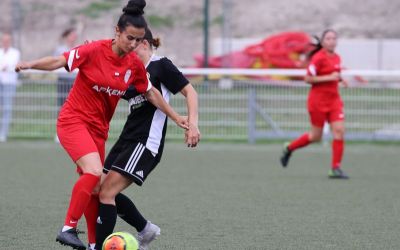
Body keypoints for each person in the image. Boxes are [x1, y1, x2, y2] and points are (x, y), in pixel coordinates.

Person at [15, 1, 188, 249]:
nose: (133, 44)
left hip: (98, 130)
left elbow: (150, 93)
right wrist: (30, 65)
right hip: (73, 121)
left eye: (138, 41)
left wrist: (176, 116)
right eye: (129, 38)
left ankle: (95, 245)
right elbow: (59, 61)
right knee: (95, 172)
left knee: (96, 187)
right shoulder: (94, 50)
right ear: (117, 31)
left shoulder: (134, 65)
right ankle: (68, 228)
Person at [94, 27, 200, 250]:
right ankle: (145, 229)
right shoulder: (131, 69)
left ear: (144, 43)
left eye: (134, 43)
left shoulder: (161, 65)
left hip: (145, 142)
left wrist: (193, 125)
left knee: (106, 193)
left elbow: (191, 92)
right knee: (97, 189)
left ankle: (100, 246)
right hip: (126, 138)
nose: (129, 48)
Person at [280, 29, 349, 179]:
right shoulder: (318, 58)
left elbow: (334, 75)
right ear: (323, 42)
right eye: (328, 38)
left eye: (334, 38)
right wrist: (330, 77)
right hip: (317, 102)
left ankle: (335, 168)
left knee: (339, 131)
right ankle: (289, 148)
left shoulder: (337, 58)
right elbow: (308, 79)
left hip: (334, 100)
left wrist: (340, 79)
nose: (331, 41)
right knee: (315, 137)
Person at [0, 32, 20, 142]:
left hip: (9, 83)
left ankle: (3, 133)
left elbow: (12, 65)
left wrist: (5, 67)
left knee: (7, 108)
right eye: (4, 40)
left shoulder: (15, 53)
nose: (5, 42)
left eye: (7, 40)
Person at [54, 28, 78, 108]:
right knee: (62, 103)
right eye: (72, 35)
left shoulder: (78, 49)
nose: (73, 37)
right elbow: (55, 62)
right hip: (63, 80)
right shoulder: (60, 49)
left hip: (74, 81)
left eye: (74, 36)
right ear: (67, 37)